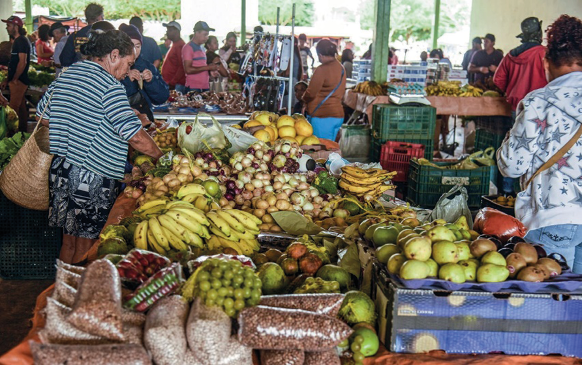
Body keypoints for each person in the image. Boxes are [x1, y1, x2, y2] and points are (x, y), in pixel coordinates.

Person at [36, 29, 163, 264]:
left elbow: (43, 116)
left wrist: (81, 121)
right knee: (86, 246)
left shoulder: (67, 74)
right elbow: (134, 136)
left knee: (68, 241)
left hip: (62, 171)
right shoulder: (109, 85)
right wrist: (162, 157)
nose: (126, 73)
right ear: (114, 55)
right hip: (90, 177)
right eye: (128, 63)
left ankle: (62, 291)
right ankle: (77, 296)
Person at [497, 15, 582, 273]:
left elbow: (511, 166)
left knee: (549, 306)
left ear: (547, 62)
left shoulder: (539, 102)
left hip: (553, 219)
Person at [494, 17, 547, 112]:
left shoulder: (510, 55)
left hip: (516, 106)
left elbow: (498, 79)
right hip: (540, 107)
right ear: (539, 33)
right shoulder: (545, 53)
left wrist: (512, 90)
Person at [119, 24, 169, 123]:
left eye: (138, 46)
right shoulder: (114, 67)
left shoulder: (147, 66)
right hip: (124, 123)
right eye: (130, 46)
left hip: (146, 121)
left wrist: (151, 81)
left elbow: (162, 98)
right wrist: (127, 80)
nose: (134, 50)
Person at [302, 39, 346, 141]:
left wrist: (303, 99)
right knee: (331, 149)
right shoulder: (341, 68)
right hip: (338, 116)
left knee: (322, 150)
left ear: (320, 55)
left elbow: (311, 92)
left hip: (323, 116)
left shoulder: (321, 70)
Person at [1, 16, 30, 132]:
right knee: (21, 108)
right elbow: (14, 63)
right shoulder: (19, 41)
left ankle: (13, 136)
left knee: (12, 111)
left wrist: (15, 79)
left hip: (19, 81)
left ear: (16, 26)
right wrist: (7, 80)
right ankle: (23, 133)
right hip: (17, 80)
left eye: (8, 25)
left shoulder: (21, 41)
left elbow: (22, 62)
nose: (6, 28)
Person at [182, 21, 217, 92]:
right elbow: (188, 70)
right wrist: (208, 67)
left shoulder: (202, 48)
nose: (207, 38)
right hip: (194, 87)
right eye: (205, 35)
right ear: (197, 33)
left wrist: (209, 72)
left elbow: (201, 66)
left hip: (204, 86)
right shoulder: (188, 48)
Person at [161, 21, 185, 92]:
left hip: (177, 85)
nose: (167, 32)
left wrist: (172, 82)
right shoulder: (175, 44)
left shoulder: (180, 46)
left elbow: (182, 67)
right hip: (173, 84)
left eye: (170, 30)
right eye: (167, 30)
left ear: (177, 31)